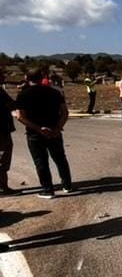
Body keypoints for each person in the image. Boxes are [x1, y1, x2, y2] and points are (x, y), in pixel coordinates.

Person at [15, 68, 73, 198]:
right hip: (54, 131)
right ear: (42, 78)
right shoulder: (55, 92)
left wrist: (39, 129)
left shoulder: (23, 95)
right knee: (60, 159)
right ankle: (67, 185)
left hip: (35, 133)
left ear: (26, 78)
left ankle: (47, 189)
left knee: (41, 161)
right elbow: (65, 112)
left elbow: (20, 116)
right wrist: (58, 128)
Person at [0, 70, 17, 194]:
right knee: (3, 157)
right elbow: (12, 105)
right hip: (2, 130)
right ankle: (2, 187)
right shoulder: (0, 93)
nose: (4, 77)